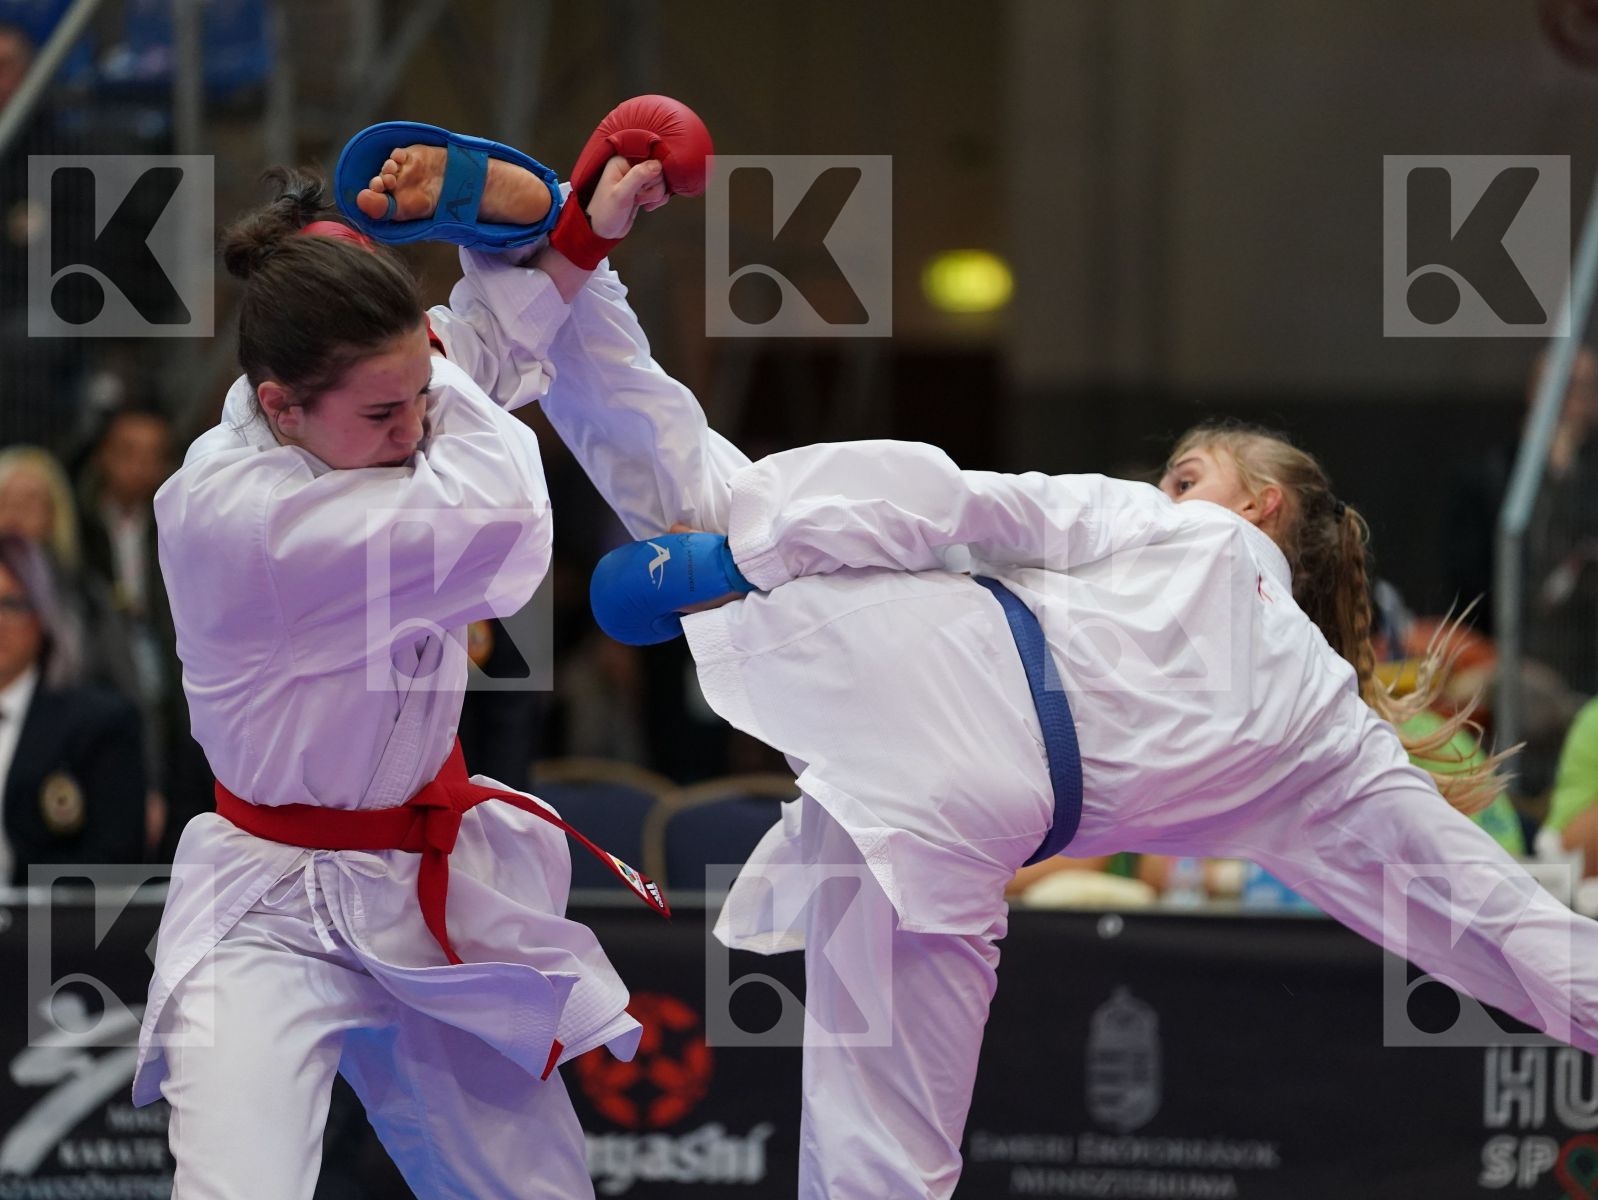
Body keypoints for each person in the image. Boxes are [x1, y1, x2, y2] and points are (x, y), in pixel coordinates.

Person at [582, 423, 1598, 1200]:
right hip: (1034, 775)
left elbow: (970, 504)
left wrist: (744, 563)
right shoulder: (1332, 727)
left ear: (1261, 506)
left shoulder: (1173, 527)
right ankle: (569, 295)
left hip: (963, 737)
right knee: (1513, 934)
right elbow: (1504, 934)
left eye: (1188, 473)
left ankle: (567, 284)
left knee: (722, 500)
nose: (1169, 487)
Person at [132, 146, 675, 1199]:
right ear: (278, 405)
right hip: (269, 906)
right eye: (384, 416)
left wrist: (581, 225)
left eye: (419, 401)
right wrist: (440, 326)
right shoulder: (239, 522)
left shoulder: (374, 407)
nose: (414, 429)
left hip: (424, 893)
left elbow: (494, 349)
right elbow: (500, 504)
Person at [0, 534, 144, 882]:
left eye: (9, 605)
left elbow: (113, 864)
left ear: (43, 616)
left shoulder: (99, 724)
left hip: (42, 931)